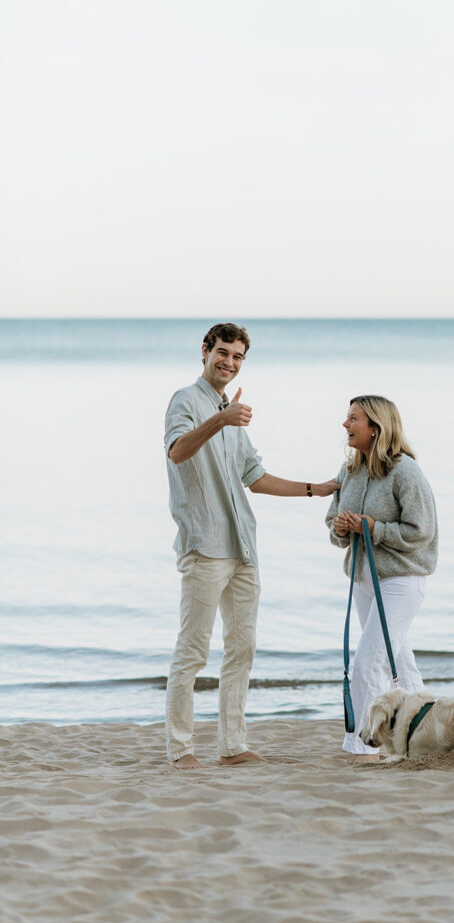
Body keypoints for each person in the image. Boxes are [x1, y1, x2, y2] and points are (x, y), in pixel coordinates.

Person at [164, 322, 338, 770]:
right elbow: (178, 451)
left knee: (242, 648)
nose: (229, 362)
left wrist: (315, 489)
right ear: (205, 351)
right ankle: (181, 750)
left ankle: (232, 747)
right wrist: (220, 419)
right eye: (222, 352)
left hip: (243, 547)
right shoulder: (187, 400)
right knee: (193, 652)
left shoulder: (230, 411)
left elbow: (255, 478)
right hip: (205, 545)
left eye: (238, 356)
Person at [326, 395, 438, 757]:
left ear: (375, 428)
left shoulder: (405, 471)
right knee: (398, 663)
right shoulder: (349, 471)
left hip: (402, 579)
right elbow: (333, 525)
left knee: (368, 661)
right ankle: (428, 734)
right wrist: (343, 529)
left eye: (353, 418)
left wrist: (374, 529)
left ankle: (364, 747)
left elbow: (421, 531)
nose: (345, 424)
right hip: (362, 580)